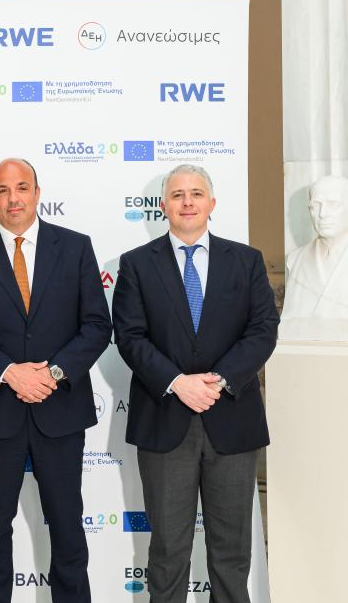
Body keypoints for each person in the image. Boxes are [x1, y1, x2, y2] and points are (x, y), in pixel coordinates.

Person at [0, 158, 110, 603]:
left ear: (37, 193)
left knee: (68, 530)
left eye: (21, 188)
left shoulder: (75, 247)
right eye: (3, 190)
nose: (13, 198)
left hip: (61, 411)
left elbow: (97, 325)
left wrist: (53, 373)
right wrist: (9, 372)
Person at [113, 163, 278, 602]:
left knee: (231, 554)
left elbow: (263, 329)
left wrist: (219, 380)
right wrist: (177, 382)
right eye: (178, 195)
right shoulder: (136, 265)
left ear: (212, 203)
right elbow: (130, 336)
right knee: (168, 553)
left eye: (196, 194)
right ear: (164, 205)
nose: (187, 202)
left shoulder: (246, 261)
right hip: (165, 421)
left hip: (233, 422)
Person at [280, 174, 348, 339]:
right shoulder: (296, 259)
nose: (322, 214)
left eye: (333, 204)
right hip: (300, 352)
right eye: (315, 206)